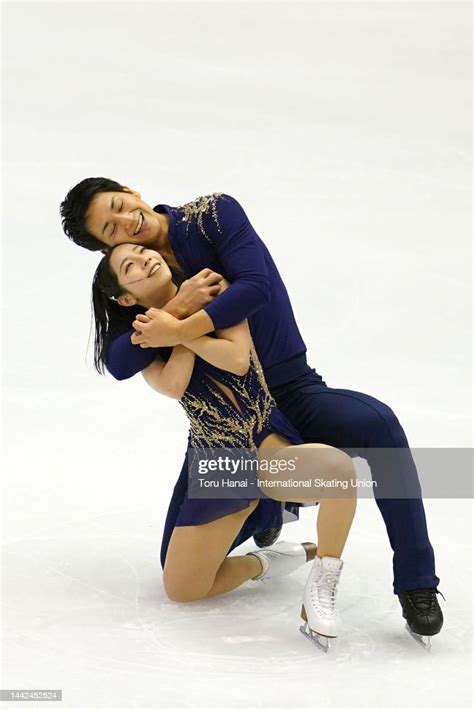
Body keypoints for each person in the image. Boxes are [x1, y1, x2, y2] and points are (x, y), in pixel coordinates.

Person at [60, 178, 444, 646]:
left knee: (378, 425)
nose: (126, 223)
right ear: (105, 251)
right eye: (111, 231)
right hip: (220, 432)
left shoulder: (212, 214)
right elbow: (122, 361)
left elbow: (254, 288)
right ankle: (270, 514)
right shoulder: (137, 279)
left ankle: (417, 582)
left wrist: (177, 326)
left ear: (130, 189)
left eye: (120, 206)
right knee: (178, 575)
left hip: (290, 387)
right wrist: (177, 307)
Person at [91, 243, 358, 650]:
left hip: (260, 436)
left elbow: (235, 358)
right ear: (125, 297)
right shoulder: (144, 338)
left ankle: (322, 585)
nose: (145, 258)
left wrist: (178, 329)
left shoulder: (215, 289)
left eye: (143, 251)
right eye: (131, 265)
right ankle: (265, 561)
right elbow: (174, 384)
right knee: (182, 588)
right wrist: (173, 318)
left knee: (340, 472)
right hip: (217, 460)